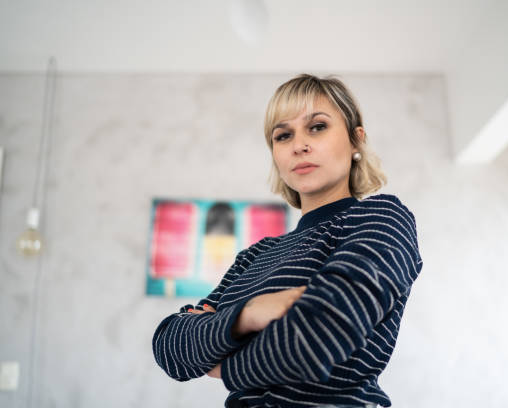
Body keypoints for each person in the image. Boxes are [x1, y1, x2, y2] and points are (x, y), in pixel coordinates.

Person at [152, 73, 424, 408]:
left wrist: (223, 366)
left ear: (356, 141)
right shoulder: (255, 255)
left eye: (318, 127)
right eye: (283, 135)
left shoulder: (381, 217)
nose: (299, 145)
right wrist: (246, 315)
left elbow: (319, 336)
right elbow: (169, 345)